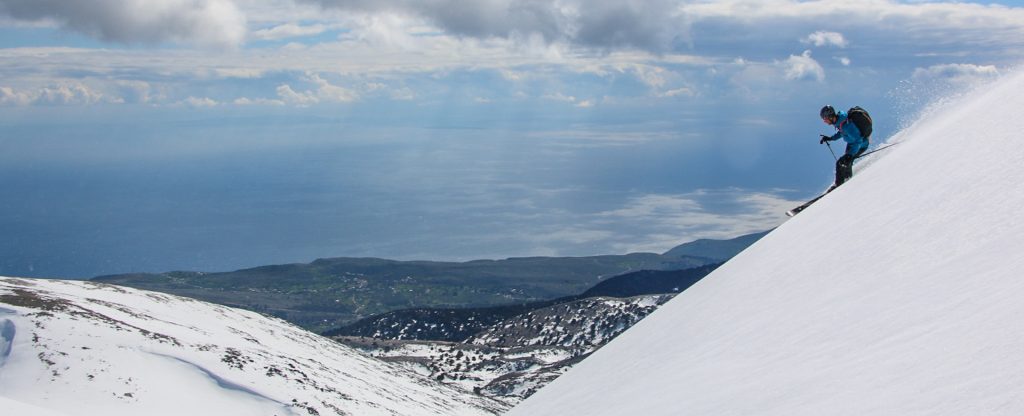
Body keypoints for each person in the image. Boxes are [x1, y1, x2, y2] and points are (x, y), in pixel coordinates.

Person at [819, 105, 869, 191]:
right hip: (852, 144)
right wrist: (831, 138)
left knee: (841, 163)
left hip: (860, 145)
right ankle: (846, 182)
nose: (824, 121)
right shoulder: (840, 122)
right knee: (845, 163)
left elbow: (858, 140)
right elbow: (842, 133)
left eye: (825, 118)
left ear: (830, 116)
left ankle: (839, 186)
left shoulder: (846, 125)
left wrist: (850, 154)